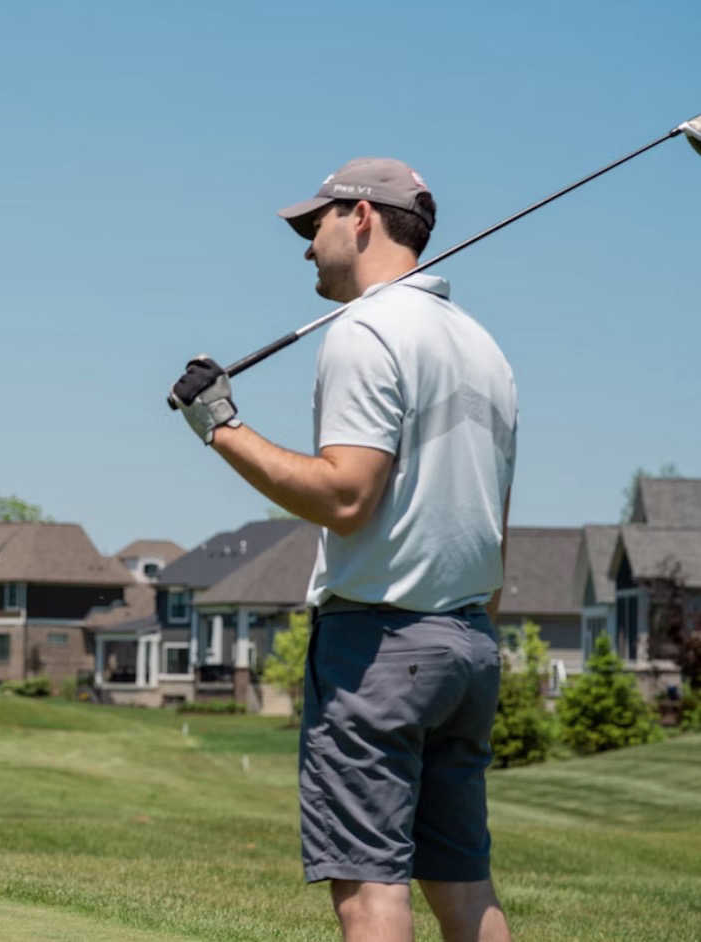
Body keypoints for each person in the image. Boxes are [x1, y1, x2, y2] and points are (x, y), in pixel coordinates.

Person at [169, 159, 516, 942]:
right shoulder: (484, 349)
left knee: (369, 892)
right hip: (468, 644)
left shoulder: (365, 330)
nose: (305, 248)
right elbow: (495, 528)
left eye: (313, 225)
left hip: (381, 649)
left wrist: (220, 426)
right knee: (464, 888)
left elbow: (346, 496)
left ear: (360, 217)